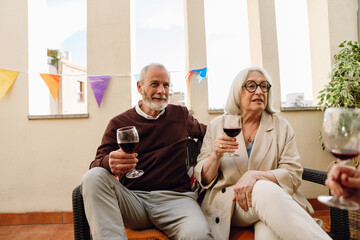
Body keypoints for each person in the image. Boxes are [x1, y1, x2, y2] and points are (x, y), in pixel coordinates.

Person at [194, 66, 331, 240]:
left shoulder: (281, 127)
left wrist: (255, 176)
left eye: (264, 86)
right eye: (251, 86)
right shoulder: (217, 126)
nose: (259, 91)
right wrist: (215, 156)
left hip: (270, 203)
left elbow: (293, 174)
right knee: (263, 188)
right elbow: (203, 178)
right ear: (237, 92)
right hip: (232, 204)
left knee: (267, 230)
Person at [81, 63, 213, 240]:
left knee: (199, 235)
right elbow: (95, 165)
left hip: (177, 201)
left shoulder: (180, 115)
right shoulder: (119, 123)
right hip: (134, 201)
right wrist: (108, 162)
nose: (161, 90)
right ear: (139, 87)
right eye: (155, 84)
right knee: (92, 177)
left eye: (166, 85)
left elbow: (210, 133)